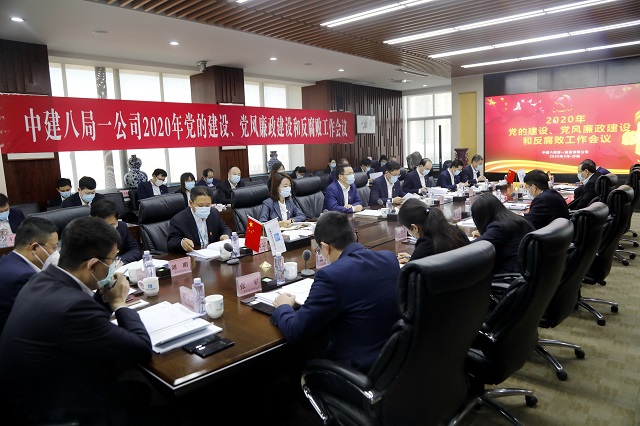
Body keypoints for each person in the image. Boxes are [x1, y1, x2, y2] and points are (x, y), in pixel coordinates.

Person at [0, 216, 152, 425]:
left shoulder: (43, 278)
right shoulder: (72, 306)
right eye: (111, 261)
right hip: (54, 410)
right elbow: (141, 349)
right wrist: (119, 303)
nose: (114, 267)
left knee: (138, 389)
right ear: (92, 265)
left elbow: (87, 319)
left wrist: (104, 297)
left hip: (38, 389)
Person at [270, 211, 400, 373]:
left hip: (356, 370)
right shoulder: (389, 259)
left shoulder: (330, 276)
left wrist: (283, 306)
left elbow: (296, 332)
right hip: (394, 363)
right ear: (353, 236)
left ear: (326, 247)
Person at [0, 217, 58, 334]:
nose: (56, 253)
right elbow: (48, 314)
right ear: (34, 248)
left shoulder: (7, 260)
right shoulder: (25, 277)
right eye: (54, 247)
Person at [470, 193, 534, 275]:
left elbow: (472, 247)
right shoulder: (515, 219)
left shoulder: (498, 228)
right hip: (528, 271)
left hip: (510, 276)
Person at [396, 198, 469, 264]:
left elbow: (409, 272)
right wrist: (413, 259)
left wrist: (412, 261)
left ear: (414, 228)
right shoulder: (457, 231)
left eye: (406, 229)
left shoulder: (426, 245)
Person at [168, 186, 232, 253]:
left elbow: (224, 228)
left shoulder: (213, 213)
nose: (204, 208)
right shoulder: (178, 220)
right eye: (200, 206)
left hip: (213, 254)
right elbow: (171, 243)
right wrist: (182, 243)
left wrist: (225, 235)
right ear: (191, 203)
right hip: (193, 255)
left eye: (207, 205)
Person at [90, 199, 142, 265]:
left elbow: (135, 250)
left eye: (112, 224)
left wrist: (120, 262)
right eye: (105, 225)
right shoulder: (87, 235)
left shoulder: (122, 227)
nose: (109, 229)